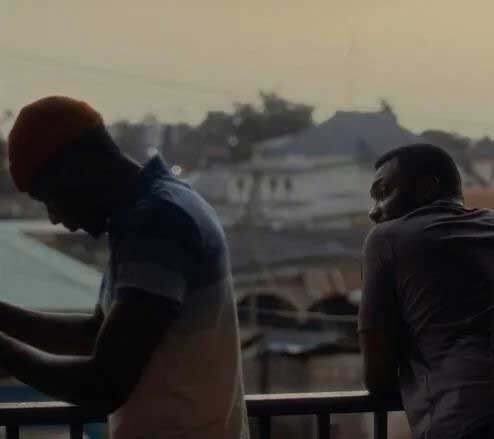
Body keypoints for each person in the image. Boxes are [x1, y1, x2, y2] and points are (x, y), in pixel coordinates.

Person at [4, 96, 250, 439]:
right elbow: (96, 335)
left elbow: (104, 384)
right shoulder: (156, 210)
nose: (55, 218)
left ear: (77, 169)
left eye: (50, 197)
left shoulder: (158, 222)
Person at [359, 143, 494, 439]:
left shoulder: (387, 238)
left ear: (427, 187)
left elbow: (378, 375)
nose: (374, 211)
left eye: (384, 193)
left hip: (465, 420)